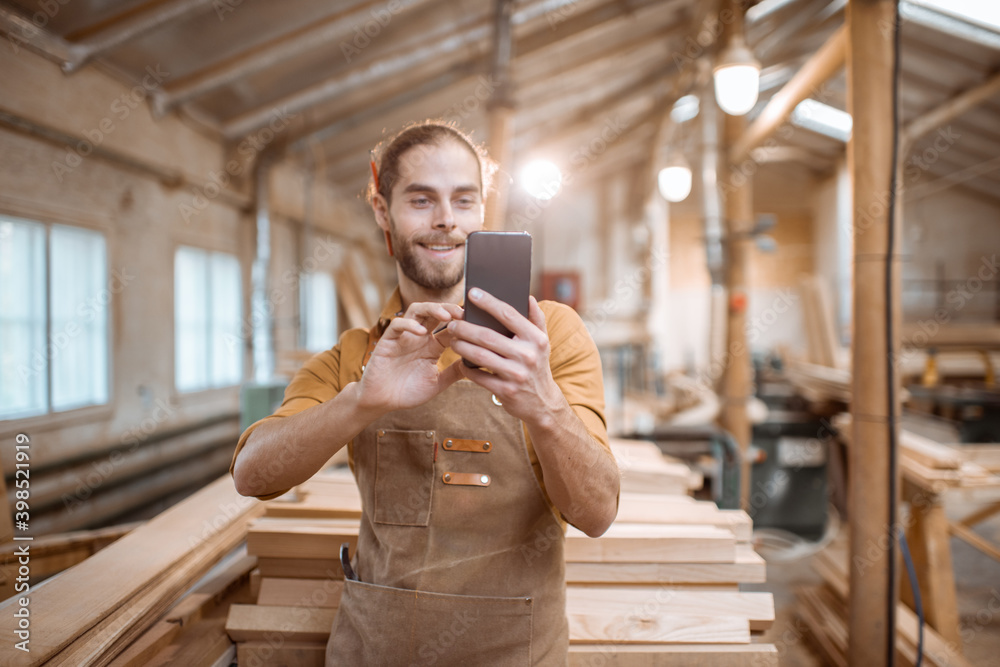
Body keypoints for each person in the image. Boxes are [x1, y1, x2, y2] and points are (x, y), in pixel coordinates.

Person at [230, 121, 620, 666]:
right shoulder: (354, 355)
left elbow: (598, 513)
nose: (446, 218)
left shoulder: (549, 338)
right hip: (375, 651)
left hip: (517, 653)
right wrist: (362, 399)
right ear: (382, 211)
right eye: (421, 199)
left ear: (481, 211)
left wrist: (542, 403)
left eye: (464, 199)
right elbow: (253, 474)